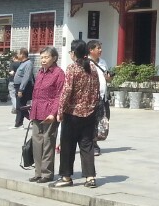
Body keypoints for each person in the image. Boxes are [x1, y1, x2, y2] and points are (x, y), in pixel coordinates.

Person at [51, 40, 100, 188]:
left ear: (73, 53)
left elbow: (66, 92)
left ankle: (66, 177)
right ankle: (90, 177)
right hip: (90, 112)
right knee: (87, 145)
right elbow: (97, 90)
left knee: (68, 146)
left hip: (73, 113)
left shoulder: (72, 68)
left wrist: (60, 111)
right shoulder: (93, 67)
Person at [29, 47, 64, 183]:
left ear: (54, 58)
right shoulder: (40, 72)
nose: (43, 60)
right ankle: (38, 172)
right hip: (37, 111)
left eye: (46, 57)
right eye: (42, 57)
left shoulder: (58, 73)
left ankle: (47, 173)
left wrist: (53, 113)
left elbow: (59, 96)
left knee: (48, 143)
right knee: (37, 143)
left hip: (49, 113)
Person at [87, 40, 110, 155]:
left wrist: (109, 78)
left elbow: (107, 77)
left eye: (100, 48)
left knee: (104, 120)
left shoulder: (103, 62)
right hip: (92, 98)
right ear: (91, 50)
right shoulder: (86, 63)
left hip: (103, 97)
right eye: (98, 48)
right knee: (93, 121)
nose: (100, 50)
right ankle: (93, 144)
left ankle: (94, 141)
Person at [11, 48, 34, 129]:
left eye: (18, 54)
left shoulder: (28, 63)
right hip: (18, 86)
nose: (17, 56)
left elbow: (26, 77)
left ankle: (32, 119)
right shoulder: (22, 63)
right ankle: (18, 123)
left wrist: (21, 89)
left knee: (20, 106)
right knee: (21, 105)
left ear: (23, 54)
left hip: (24, 87)